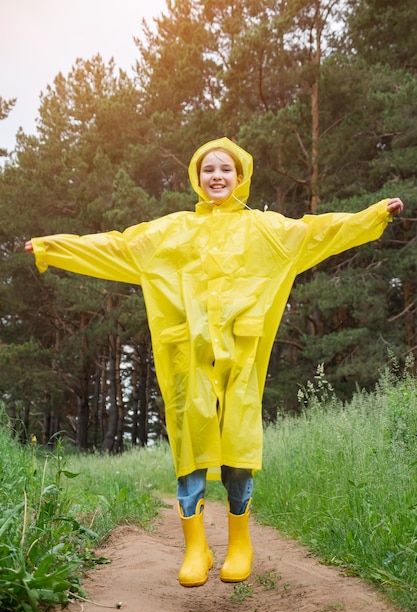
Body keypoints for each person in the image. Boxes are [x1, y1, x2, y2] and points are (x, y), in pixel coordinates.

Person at [25, 137, 404, 588]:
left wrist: (373, 215)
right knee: (191, 448)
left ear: (240, 177)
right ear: (197, 178)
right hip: (188, 360)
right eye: (208, 170)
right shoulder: (171, 231)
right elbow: (116, 247)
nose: (217, 176)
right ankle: (196, 547)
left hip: (241, 359)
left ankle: (240, 542)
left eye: (226, 169)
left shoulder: (267, 230)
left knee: (238, 448)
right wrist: (54, 246)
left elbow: (317, 231)